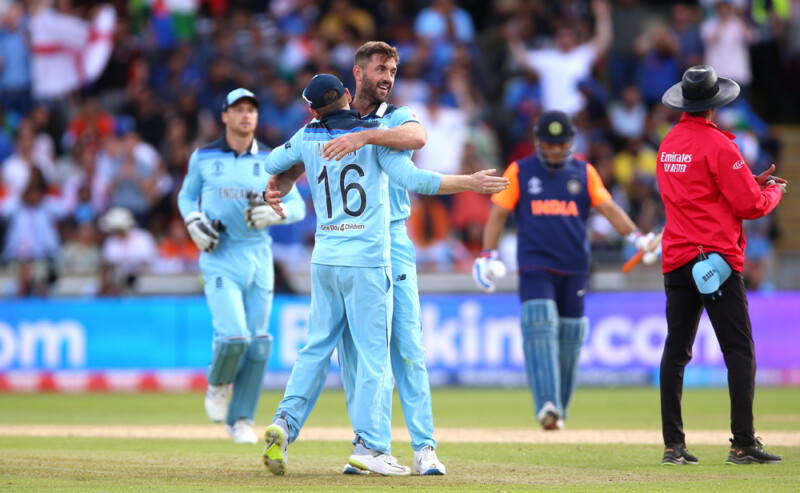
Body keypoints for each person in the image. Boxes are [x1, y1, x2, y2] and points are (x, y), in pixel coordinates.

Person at [259, 73, 508, 476]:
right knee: (376, 357)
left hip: (325, 258)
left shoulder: (307, 136)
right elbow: (415, 179)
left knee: (316, 348)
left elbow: (273, 163)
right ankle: (373, 447)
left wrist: (277, 182)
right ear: (347, 93)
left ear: (313, 111)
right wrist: (470, 182)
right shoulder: (374, 136)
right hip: (368, 258)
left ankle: (284, 422)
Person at [473, 110, 655, 431]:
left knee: (571, 336)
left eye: (561, 143)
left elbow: (609, 208)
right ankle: (546, 404)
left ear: (571, 142)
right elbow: (498, 214)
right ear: (537, 142)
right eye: (549, 143)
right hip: (535, 263)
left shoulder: (584, 172)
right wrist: (488, 254)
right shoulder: (520, 171)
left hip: (574, 266)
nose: (556, 149)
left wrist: (637, 237)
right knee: (539, 322)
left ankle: (559, 412)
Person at [317, 40, 447, 476]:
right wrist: (277, 184)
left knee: (407, 347)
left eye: (392, 70)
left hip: (392, 241)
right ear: (358, 73)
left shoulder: (395, 116)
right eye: (380, 69)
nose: (387, 77)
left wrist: (367, 134)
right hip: (349, 243)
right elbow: (299, 153)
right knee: (355, 353)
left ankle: (424, 447)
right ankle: (368, 443)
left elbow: (419, 137)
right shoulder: (330, 119)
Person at [656, 65, 785, 466]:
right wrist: (771, 192)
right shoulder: (719, 144)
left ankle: (673, 445)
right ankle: (742, 442)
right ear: (714, 105)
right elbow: (749, 205)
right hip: (715, 261)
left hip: (677, 258)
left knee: (676, 351)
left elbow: (698, 192)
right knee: (739, 350)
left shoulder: (668, 144)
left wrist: (748, 181)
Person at [176, 88, 306, 445]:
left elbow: (297, 206)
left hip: (258, 255)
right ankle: (218, 383)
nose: (246, 115)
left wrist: (275, 214)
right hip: (220, 253)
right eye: (238, 109)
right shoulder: (203, 157)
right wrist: (192, 220)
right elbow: (186, 196)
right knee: (234, 336)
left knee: (259, 343)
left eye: (251, 109)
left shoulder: (271, 159)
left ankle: (241, 421)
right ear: (225, 116)